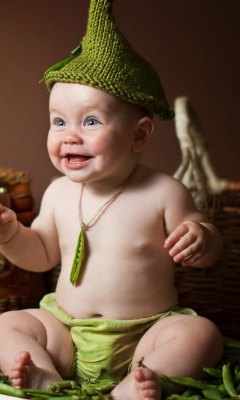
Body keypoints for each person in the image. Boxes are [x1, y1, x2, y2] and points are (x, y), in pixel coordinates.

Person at [0, 0, 223, 399]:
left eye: (90, 121)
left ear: (138, 135)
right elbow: (42, 254)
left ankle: (140, 384)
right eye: (58, 121)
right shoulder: (58, 192)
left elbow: (208, 247)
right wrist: (12, 235)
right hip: (66, 329)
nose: (69, 135)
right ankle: (46, 375)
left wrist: (201, 237)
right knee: (6, 325)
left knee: (200, 334)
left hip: (146, 333)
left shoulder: (164, 192)